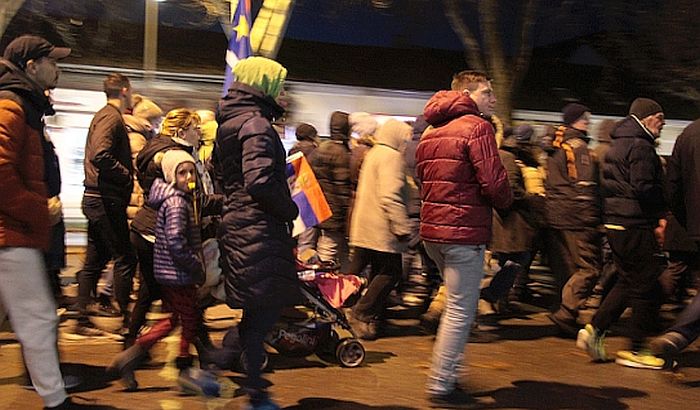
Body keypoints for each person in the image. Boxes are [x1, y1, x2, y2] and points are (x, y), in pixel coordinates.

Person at [416, 70, 512, 406]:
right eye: (488, 92)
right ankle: (442, 385)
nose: (494, 99)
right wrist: (506, 201)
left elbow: (422, 178)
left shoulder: (431, 129)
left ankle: (449, 374)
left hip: (433, 234)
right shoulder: (477, 127)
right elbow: (494, 181)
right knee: (460, 311)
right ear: (468, 94)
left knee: (456, 306)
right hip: (462, 231)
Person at [212, 56, 301, 410]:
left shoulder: (230, 123)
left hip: (241, 220)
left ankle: (225, 371)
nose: (282, 92)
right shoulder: (256, 125)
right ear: (265, 85)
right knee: (265, 307)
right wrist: (290, 207)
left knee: (258, 308)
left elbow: (234, 176)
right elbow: (260, 181)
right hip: (258, 226)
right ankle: (255, 393)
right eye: (278, 84)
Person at [0, 34, 76, 410]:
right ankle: (56, 400)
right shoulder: (12, 106)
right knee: (38, 318)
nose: (57, 68)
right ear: (31, 66)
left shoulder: (24, 105)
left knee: (34, 318)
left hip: (15, 230)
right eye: (52, 61)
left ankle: (54, 396)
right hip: (12, 231)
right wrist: (38, 208)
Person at [577, 98, 667, 369]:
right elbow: (643, 187)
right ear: (647, 118)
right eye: (660, 119)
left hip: (616, 223)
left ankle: (594, 330)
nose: (662, 125)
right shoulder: (641, 145)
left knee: (628, 280)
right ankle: (636, 349)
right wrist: (660, 212)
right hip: (635, 223)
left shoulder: (619, 142)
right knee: (645, 283)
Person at [109, 150, 205, 391]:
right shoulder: (176, 203)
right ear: (171, 175)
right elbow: (175, 241)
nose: (188, 177)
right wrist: (194, 264)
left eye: (191, 171)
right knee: (190, 319)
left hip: (171, 272)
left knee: (173, 319)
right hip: (178, 273)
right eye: (182, 172)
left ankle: (129, 359)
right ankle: (182, 370)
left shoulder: (175, 199)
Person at [75, 73, 137, 335]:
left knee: (95, 259)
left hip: (97, 198)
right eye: (131, 91)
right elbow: (100, 153)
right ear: (124, 91)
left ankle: (80, 319)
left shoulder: (103, 115)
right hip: (105, 199)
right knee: (125, 258)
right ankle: (127, 323)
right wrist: (125, 173)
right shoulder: (111, 117)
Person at [347, 119, 413, 340]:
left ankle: (349, 311)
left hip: (365, 224)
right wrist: (401, 225)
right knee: (390, 273)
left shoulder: (375, 152)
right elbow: (390, 195)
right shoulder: (391, 157)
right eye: (405, 139)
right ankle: (361, 313)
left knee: (369, 271)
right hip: (381, 228)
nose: (406, 145)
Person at [544, 103, 603, 337]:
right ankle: (566, 313)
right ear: (575, 121)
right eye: (585, 118)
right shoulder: (578, 148)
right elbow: (584, 187)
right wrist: (591, 216)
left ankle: (565, 313)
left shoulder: (557, 146)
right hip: (577, 216)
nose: (588, 122)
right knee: (589, 268)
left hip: (557, 215)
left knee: (568, 267)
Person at [649, 117, 700, 364]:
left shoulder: (689, 133)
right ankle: (681, 333)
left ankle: (677, 332)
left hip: (693, 221)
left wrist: (686, 218)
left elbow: (673, 185)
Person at [309, 111, 352, 271]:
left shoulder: (320, 149)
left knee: (328, 245)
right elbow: (342, 187)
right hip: (335, 211)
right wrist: (346, 211)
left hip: (321, 207)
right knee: (330, 248)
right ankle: (321, 282)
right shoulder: (341, 153)